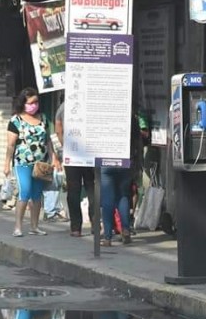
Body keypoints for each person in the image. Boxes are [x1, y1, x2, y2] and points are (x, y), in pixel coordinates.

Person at [4, 88, 60, 237]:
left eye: (36, 102)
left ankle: (35, 226)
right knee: (25, 192)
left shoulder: (43, 118)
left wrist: (53, 157)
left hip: (40, 164)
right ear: (23, 104)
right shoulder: (15, 121)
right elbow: (10, 144)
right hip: (22, 162)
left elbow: (48, 140)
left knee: (37, 195)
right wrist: (6, 163)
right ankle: (18, 226)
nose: (33, 105)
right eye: (30, 103)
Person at [101, 113, 149, 245]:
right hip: (125, 160)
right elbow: (138, 142)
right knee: (123, 195)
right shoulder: (131, 118)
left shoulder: (104, 117)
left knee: (108, 199)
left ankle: (107, 237)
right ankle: (126, 231)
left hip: (107, 160)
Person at [55, 101, 95, 237]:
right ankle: (95, 225)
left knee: (73, 190)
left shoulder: (63, 107)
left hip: (72, 154)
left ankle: (76, 228)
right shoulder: (90, 103)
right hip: (90, 152)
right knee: (92, 188)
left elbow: (58, 130)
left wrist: (65, 146)